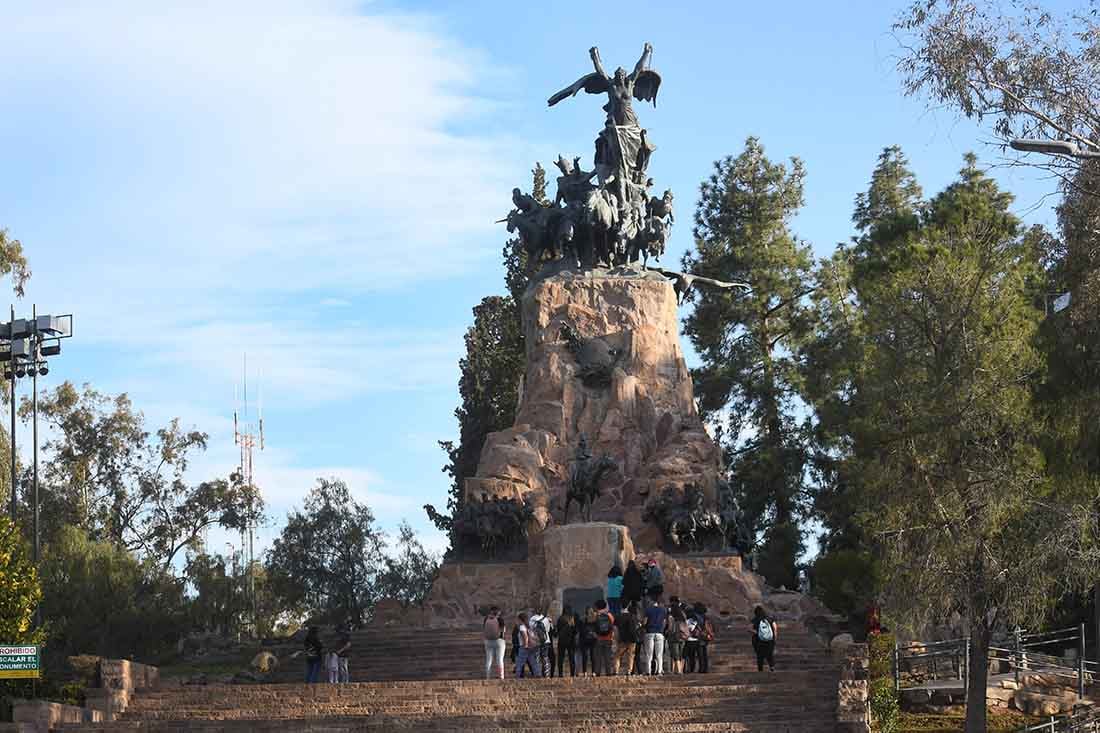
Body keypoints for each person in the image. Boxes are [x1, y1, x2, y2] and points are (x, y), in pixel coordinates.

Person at [613, 601, 641, 675]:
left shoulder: (618, 616)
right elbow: (637, 627)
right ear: (628, 607)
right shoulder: (632, 616)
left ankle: (616, 671)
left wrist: (616, 639)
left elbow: (615, 629)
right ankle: (629, 671)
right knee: (630, 656)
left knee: (617, 656)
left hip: (622, 639)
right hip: (632, 639)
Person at [642, 597, 667, 675]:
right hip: (659, 633)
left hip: (649, 633)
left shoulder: (648, 610)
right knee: (659, 654)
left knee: (649, 654)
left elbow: (645, 622)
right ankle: (659, 671)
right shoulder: (663, 610)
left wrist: (642, 625)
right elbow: (664, 622)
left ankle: (648, 671)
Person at [483, 606, 506, 680]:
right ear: (498, 612)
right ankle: (501, 677)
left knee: (488, 660)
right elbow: (503, 630)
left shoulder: (486, 619)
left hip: (488, 641)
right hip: (499, 641)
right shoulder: (500, 619)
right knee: (499, 660)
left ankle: (488, 677)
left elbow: (484, 629)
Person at [593, 599, 615, 676]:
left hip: (598, 639)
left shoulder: (595, 615)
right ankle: (608, 672)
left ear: (596, 607)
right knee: (608, 657)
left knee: (598, 657)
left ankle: (597, 672)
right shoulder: (610, 616)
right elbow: (612, 627)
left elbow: (593, 627)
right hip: (608, 639)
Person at [751, 605, 777, 672]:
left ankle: (760, 670)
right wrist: (775, 638)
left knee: (760, 656)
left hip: (759, 641)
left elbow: (753, 630)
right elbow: (775, 628)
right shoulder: (770, 618)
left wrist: (755, 632)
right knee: (770, 655)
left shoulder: (755, 620)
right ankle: (772, 667)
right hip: (770, 640)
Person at [556, 605, 579, 677]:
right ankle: (572, 674)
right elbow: (575, 632)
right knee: (571, 658)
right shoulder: (572, 619)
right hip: (571, 641)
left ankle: (560, 674)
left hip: (562, 641)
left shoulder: (560, 619)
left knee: (560, 658)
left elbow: (558, 630)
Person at [667, 605, 689, 674]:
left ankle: (678, 670)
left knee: (675, 654)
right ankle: (680, 670)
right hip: (682, 638)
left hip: (674, 638)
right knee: (681, 654)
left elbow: (670, 629)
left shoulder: (671, 618)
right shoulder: (683, 619)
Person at [529, 610, 551, 678]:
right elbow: (548, 630)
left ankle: (537, 674)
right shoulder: (546, 619)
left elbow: (531, 630)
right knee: (545, 657)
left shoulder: (532, 619)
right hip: (546, 641)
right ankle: (547, 674)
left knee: (537, 658)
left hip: (536, 641)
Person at [692, 602, 714, 673]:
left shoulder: (695, 616)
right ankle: (706, 668)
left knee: (700, 654)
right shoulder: (705, 616)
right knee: (705, 653)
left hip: (699, 636)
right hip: (706, 635)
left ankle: (701, 668)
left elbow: (695, 626)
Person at [515, 613, 537, 678]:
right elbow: (533, 636)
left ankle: (518, 676)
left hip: (524, 647)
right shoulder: (528, 626)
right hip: (531, 646)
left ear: (520, 619)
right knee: (533, 662)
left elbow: (525, 637)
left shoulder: (522, 627)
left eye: (518, 619)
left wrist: (525, 645)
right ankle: (537, 674)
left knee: (520, 663)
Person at [579, 606, 597, 676]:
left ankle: (585, 672)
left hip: (584, 640)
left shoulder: (582, 619)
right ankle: (593, 672)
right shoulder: (595, 619)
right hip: (593, 639)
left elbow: (580, 631)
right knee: (593, 656)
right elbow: (597, 629)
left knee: (585, 656)